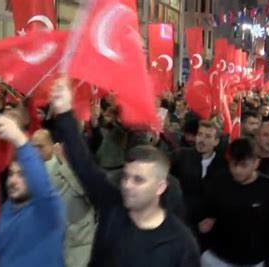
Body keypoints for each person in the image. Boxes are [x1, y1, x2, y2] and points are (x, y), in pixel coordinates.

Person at [50, 78, 199, 267]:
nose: (127, 184)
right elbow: (84, 166)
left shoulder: (181, 244)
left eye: (138, 180)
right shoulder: (112, 207)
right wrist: (65, 112)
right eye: (127, 176)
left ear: (160, 186)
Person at [0, 114, 65, 267]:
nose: (13, 180)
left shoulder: (48, 210)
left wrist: (19, 139)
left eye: (22, 175)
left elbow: (41, 186)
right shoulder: (8, 207)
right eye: (11, 174)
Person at [199, 138, 269, 266]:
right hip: (216, 258)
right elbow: (205, 214)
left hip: (255, 261)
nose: (237, 170)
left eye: (243, 165)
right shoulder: (218, 182)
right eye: (233, 164)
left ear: (256, 163)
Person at [31, 129, 96, 267]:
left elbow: (87, 193)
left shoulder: (72, 163)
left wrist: (65, 165)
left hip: (79, 241)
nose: (36, 152)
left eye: (41, 147)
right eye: (33, 147)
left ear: (52, 145)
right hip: (52, 241)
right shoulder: (32, 171)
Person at [170, 120, 228, 233]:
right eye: (200, 134)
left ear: (216, 141)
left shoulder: (223, 165)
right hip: (181, 223)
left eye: (207, 136)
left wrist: (214, 218)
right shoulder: (180, 156)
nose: (201, 140)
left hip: (211, 229)